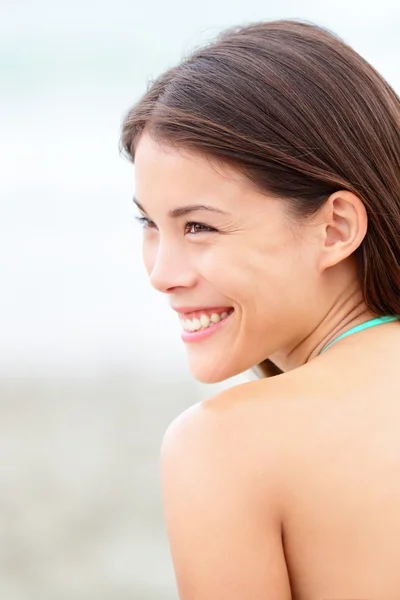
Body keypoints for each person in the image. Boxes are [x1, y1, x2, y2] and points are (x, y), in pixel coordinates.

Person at [121, 20, 400, 599]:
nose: (161, 274)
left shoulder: (226, 445)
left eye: (199, 226)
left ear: (335, 228)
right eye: (150, 223)